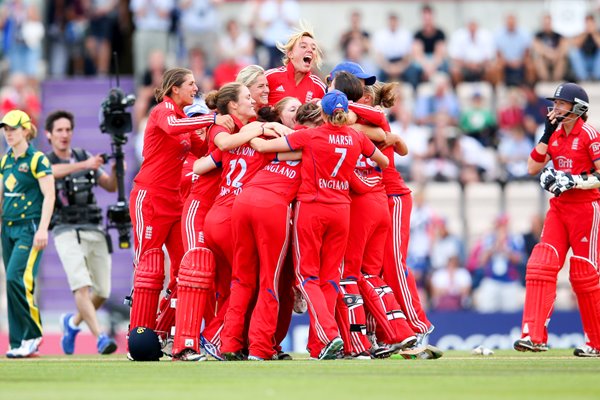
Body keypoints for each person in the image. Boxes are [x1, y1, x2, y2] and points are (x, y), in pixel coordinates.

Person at [250, 90, 389, 360]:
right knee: (329, 278)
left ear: (321, 113)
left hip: (313, 208)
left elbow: (262, 148)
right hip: (342, 210)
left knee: (307, 276)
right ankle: (319, 346)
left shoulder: (311, 135)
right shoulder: (356, 136)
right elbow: (382, 161)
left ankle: (329, 333)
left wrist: (256, 131)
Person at [128, 67, 233, 361]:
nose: (196, 88)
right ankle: (137, 337)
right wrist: (211, 118)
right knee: (149, 268)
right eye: (190, 84)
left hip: (175, 202)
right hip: (149, 197)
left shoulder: (185, 120)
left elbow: (205, 150)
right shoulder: (163, 111)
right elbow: (174, 127)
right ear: (174, 88)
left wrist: (230, 132)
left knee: (186, 271)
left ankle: (165, 337)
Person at [515, 82, 600, 357]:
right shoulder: (554, 135)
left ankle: (597, 343)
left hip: (587, 209)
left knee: (584, 274)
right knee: (540, 264)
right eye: (556, 103)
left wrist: (574, 181)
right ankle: (533, 336)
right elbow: (532, 167)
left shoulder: (590, 134)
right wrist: (546, 133)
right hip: (559, 209)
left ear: (578, 109)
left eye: (562, 103)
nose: (556, 107)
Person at [44, 110, 118, 355]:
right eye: (59, 130)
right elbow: (50, 173)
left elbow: (108, 185)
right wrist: (86, 165)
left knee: (103, 292)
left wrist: (117, 169)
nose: (64, 135)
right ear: (49, 135)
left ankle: (72, 323)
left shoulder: (83, 155)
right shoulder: (45, 160)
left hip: (93, 227)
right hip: (65, 228)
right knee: (81, 285)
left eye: (68, 130)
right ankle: (100, 338)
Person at [0, 110, 55, 358]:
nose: (8, 133)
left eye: (13, 128)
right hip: (8, 227)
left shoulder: (37, 159)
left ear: (25, 129)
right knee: (11, 283)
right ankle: (17, 342)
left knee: (17, 279)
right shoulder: (5, 161)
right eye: (6, 129)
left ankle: (32, 335)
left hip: (29, 227)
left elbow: (50, 195)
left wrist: (43, 228)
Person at [265, 27, 326, 105]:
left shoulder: (319, 87)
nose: (310, 50)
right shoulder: (270, 77)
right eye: (303, 46)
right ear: (290, 54)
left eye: (313, 48)